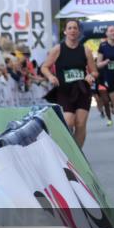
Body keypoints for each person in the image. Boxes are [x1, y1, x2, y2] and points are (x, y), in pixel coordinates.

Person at [41, 19, 98, 148]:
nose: (72, 30)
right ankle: (69, 149)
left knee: (80, 123)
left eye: (75, 28)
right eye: (70, 28)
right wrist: (50, 76)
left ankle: (78, 156)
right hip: (65, 92)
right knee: (68, 122)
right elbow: (44, 67)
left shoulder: (85, 50)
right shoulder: (58, 49)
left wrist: (90, 75)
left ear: (78, 32)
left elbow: (94, 71)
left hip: (82, 91)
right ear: (65, 31)